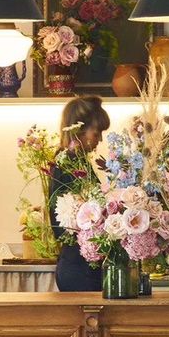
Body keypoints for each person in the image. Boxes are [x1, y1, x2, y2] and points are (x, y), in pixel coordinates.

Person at [49, 95, 110, 292]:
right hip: (78, 267)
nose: (100, 138)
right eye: (97, 131)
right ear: (79, 129)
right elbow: (61, 226)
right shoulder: (66, 164)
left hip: (82, 264)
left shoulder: (77, 162)